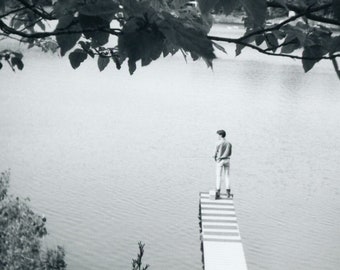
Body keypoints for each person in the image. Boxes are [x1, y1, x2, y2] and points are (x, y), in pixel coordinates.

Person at [213, 130, 233, 199]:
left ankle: (218, 192)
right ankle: (228, 192)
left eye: (218, 135)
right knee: (227, 176)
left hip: (220, 160)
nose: (217, 136)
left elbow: (214, 154)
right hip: (227, 160)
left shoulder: (218, 143)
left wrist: (215, 158)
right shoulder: (229, 143)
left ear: (221, 135)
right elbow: (230, 153)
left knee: (218, 176)